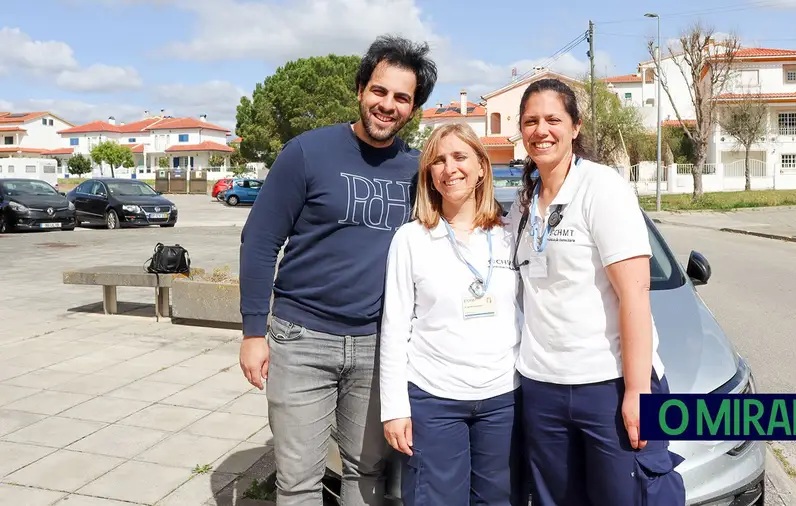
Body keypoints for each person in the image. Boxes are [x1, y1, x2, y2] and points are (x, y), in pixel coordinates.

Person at [238, 35, 438, 506]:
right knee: (299, 479)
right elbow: (261, 240)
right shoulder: (308, 152)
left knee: (367, 472)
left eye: (402, 98)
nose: (387, 105)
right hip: (301, 338)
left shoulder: (417, 171)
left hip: (377, 346)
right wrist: (252, 331)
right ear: (361, 89)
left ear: (413, 108)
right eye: (380, 91)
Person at [506, 77, 686, 506]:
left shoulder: (602, 188)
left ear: (576, 126)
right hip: (542, 385)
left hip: (608, 384)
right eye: (531, 121)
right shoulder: (524, 201)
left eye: (553, 119)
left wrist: (638, 393)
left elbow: (635, 295)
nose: (541, 130)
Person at [379, 122, 524, 506]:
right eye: (438, 161)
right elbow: (394, 330)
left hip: (503, 398)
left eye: (460, 157)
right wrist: (394, 408)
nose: (449, 168)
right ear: (429, 173)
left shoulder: (510, 234)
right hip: (434, 399)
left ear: (481, 167)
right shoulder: (411, 239)